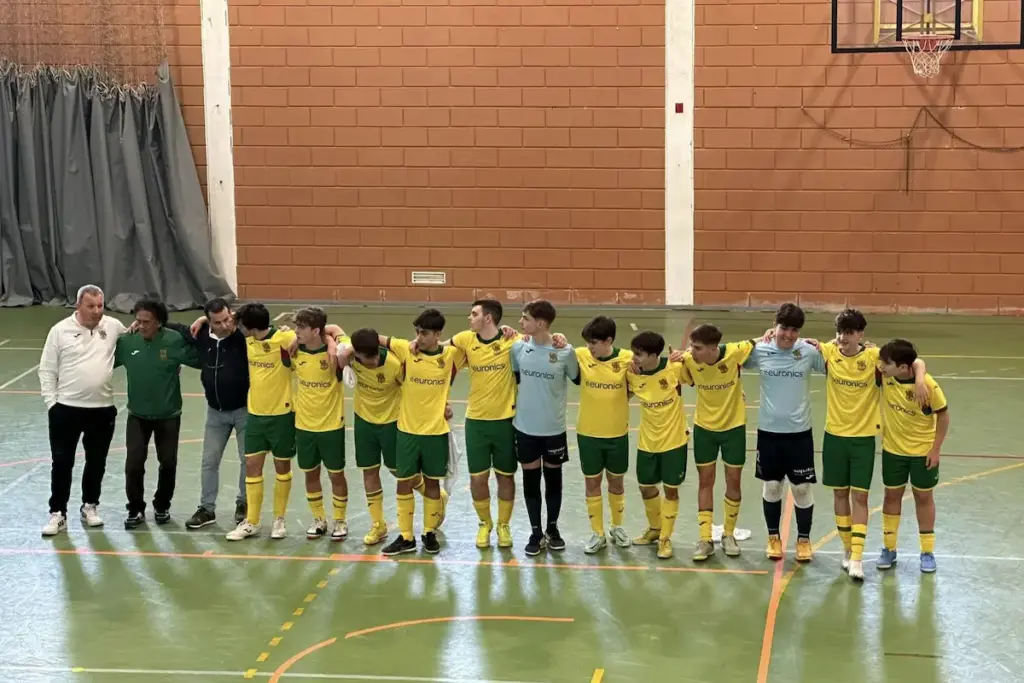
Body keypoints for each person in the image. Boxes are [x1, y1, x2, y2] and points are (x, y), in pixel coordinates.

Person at [815, 310, 928, 580]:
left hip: (864, 439)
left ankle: (857, 558)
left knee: (860, 497)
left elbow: (913, 360)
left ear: (860, 335)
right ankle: (846, 550)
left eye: (849, 333)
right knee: (839, 495)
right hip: (834, 436)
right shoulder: (828, 351)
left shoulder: (874, 358)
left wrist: (921, 377)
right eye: (839, 331)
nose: (843, 337)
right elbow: (797, 342)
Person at [39, 285, 127, 535]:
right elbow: (47, 369)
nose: (97, 311)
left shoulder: (112, 327)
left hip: (102, 409)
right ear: (78, 305)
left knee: (96, 462)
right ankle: (58, 512)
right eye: (91, 306)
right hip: (66, 410)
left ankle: (90, 506)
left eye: (100, 306)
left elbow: (139, 334)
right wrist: (52, 404)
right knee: (62, 462)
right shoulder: (60, 331)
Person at [743, 303, 825, 563]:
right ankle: (773, 537)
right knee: (773, 485)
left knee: (801, 488)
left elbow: (840, 360)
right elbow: (730, 360)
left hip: (799, 432)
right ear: (775, 326)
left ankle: (803, 539)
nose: (788, 335)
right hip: (769, 433)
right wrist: (757, 338)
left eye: (793, 330)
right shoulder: (760, 349)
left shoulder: (809, 351)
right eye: (783, 328)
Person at [380, 309, 464, 556]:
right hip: (407, 431)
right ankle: (406, 537)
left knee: (432, 483)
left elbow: (475, 340)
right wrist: (339, 347)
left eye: (424, 333)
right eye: (417, 331)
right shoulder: (406, 350)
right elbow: (375, 338)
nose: (419, 336)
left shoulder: (451, 356)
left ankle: (428, 532)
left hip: (436, 432)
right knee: (403, 483)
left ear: (438, 334)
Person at [115, 298, 203, 529]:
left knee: (168, 463)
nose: (142, 326)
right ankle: (135, 509)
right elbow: (101, 362)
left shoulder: (173, 341)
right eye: (139, 321)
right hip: (138, 415)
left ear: (160, 323)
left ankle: (162, 505)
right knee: (133, 463)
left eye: (147, 322)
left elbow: (202, 358)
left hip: (168, 415)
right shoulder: (127, 342)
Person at [166, 298, 250, 530]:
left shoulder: (243, 336)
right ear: (210, 323)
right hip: (215, 413)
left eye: (227, 319)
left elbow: (257, 316)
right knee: (209, 461)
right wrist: (140, 325)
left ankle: (244, 503)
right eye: (218, 321)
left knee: (247, 460)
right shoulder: (201, 334)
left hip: (244, 410)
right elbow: (174, 327)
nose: (225, 325)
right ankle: (207, 508)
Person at [681, 323, 756, 561]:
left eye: (698, 347)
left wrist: (770, 333)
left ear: (714, 348)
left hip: (733, 428)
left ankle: (729, 534)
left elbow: (759, 341)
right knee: (706, 481)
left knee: (733, 481)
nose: (692, 351)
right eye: (692, 346)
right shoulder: (689, 361)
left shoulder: (734, 352)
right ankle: (705, 539)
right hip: (705, 429)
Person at [449, 300, 520, 550]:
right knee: (478, 478)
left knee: (506, 477)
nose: (470, 318)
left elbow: (541, 343)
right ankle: (484, 524)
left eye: (474, 314)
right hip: (476, 422)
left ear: (488, 318)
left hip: (505, 422)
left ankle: (503, 525)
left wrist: (559, 337)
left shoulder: (513, 340)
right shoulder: (465, 339)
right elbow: (440, 352)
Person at [510, 300, 579, 557]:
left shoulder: (565, 351)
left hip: (554, 430)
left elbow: (577, 377)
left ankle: (552, 528)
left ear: (539, 323)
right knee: (530, 481)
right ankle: (535, 531)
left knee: (553, 481)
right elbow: (517, 377)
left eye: (525, 318)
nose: (520, 322)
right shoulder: (518, 349)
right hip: (525, 429)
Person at [876, 339, 949, 574]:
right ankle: (889, 548)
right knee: (891, 496)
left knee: (923, 498)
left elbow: (944, 416)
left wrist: (935, 449)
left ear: (904, 367)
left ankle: (927, 552)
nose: (882, 366)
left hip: (922, 453)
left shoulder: (928, 386)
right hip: (893, 451)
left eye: (887, 363)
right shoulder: (887, 376)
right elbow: (917, 361)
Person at [626, 331, 691, 560]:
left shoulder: (674, 368)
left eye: (639, 354)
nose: (634, 358)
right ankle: (655, 529)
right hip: (647, 442)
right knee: (646, 487)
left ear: (654, 355)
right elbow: (622, 395)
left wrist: (686, 355)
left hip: (674, 441)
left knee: (670, 490)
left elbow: (701, 373)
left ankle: (665, 537)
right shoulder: (632, 373)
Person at [572, 316, 633, 554]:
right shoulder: (581, 355)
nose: (589, 347)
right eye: (587, 343)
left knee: (616, 482)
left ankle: (616, 527)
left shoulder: (627, 359)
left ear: (608, 341)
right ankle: (597, 533)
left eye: (594, 343)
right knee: (592, 482)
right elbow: (555, 347)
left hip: (617, 433)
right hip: (588, 433)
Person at [339, 328, 404, 546]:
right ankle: (378, 525)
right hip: (364, 422)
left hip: (391, 422)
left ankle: (435, 496)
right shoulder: (350, 355)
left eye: (376, 355)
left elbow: (411, 389)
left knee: (400, 473)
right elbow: (332, 329)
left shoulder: (394, 364)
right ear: (356, 355)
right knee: (369, 471)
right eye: (368, 359)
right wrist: (341, 356)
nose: (374, 360)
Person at [291, 307, 349, 541]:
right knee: (310, 474)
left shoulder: (337, 354)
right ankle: (319, 519)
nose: (296, 331)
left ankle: (340, 520)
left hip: (331, 425)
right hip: (303, 425)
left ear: (316, 331)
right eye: (296, 327)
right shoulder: (294, 348)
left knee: (336, 475)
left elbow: (341, 333)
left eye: (301, 328)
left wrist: (331, 341)